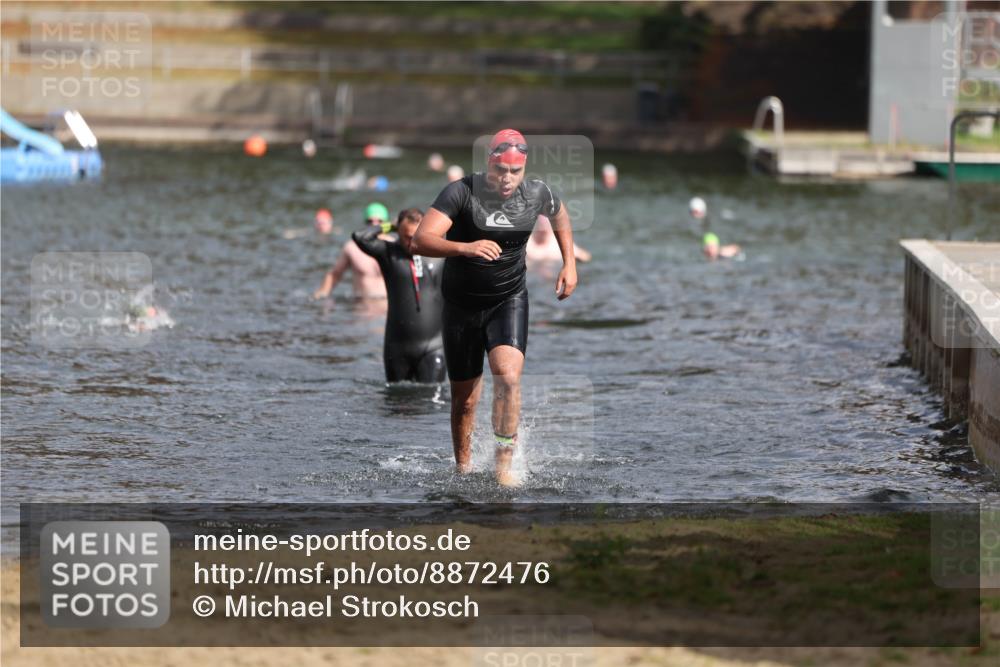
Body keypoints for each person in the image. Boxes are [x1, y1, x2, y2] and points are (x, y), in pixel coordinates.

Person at [412, 129, 578, 486]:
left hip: (508, 300)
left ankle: (503, 469)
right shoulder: (461, 192)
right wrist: (466, 248)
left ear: (524, 169)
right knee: (466, 402)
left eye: (514, 172)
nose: (506, 179)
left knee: (509, 377)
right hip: (460, 306)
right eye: (500, 170)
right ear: (489, 162)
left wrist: (570, 264)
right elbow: (420, 240)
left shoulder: (537, 193)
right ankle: (463, 469)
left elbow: (560, 215)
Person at [352, 208, 446, 383]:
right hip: (397, 348)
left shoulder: (439, 253)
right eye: (406, 236)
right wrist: (390, 226)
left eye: (416, 236)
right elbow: (360, 237)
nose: (411, 242)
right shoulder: (388, 252)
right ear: (398, 233)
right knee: (397, 405)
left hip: (434, 346)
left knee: (434, 401)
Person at [313, 203, 391, 300]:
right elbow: (335, 274)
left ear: (386, 223)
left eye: (379, 221)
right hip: (362, 308)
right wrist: (320, 295)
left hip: (388, 306)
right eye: (370, 221)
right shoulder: (352, 248)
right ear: (365, 223)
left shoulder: (394, 246)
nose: (374, 224)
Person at [689, 196, 741, 261]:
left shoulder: (723, 255)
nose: (695, 216)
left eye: (697, 212)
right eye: (707, 247)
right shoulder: (701, 258)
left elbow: (736, 249)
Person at [526, 215, 591, 264]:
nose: (542, 234)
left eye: (545, 231)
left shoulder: (557, 243)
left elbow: (585, 256)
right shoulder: (528, 244)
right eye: (540, 231)